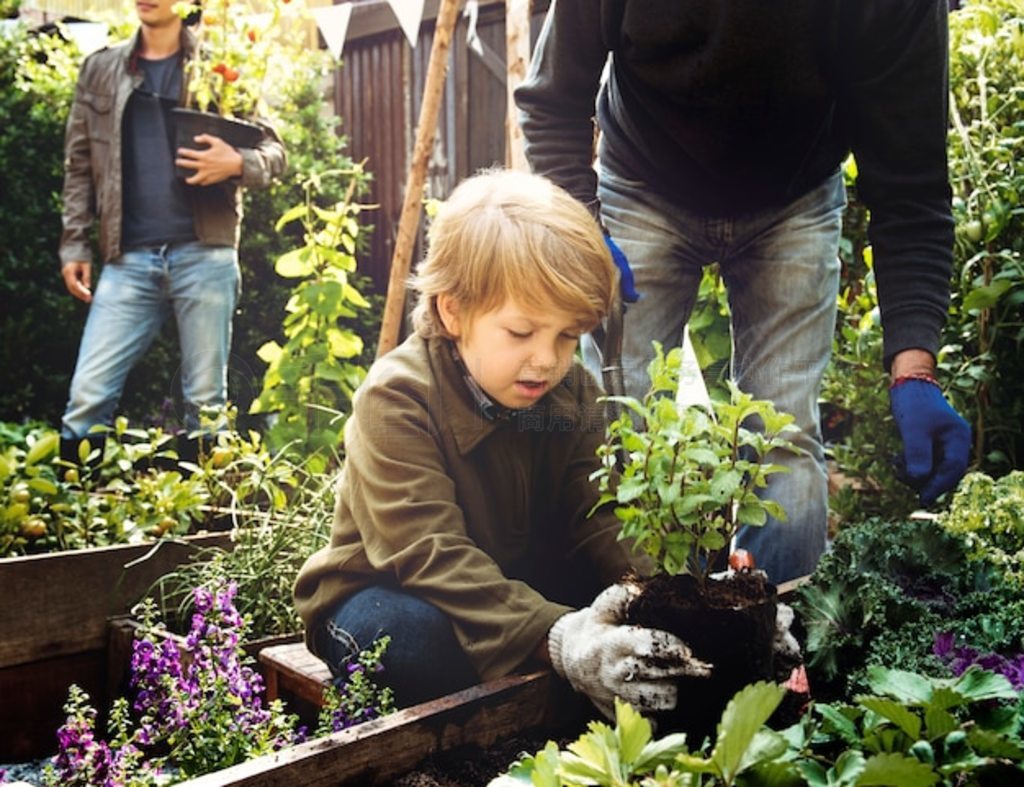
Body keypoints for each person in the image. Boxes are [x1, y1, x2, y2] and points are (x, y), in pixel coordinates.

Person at [515, 0, 972, 584]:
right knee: (620, 435)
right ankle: (621, 641)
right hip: (642, 178)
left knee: (784, 437)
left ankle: (777, 651)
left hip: (794, 196)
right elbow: (551, 102)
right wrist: (585, 227)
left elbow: (911, 184)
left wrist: (914, 368)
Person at [293, 169, 712, 718]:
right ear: (453, 310)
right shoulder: (396, 399)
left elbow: (603, 516)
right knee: (413, 643)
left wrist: (675, 608)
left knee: (651, 601)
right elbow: (429, 555)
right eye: (521, 333)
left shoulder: (572, 392)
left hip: (505, 585)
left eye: (567, 336)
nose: (547, 359)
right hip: (386, 591)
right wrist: (564, 640)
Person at [58, 0, 286, 450]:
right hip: (128, 259)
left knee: (206, 404)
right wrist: (75, 245)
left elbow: (276, 153)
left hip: (205, 254)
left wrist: (236, 162)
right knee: (86, 399)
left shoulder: (222, 68)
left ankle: (207, 514)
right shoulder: (101, 69)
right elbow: (79, 165)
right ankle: (76, 511)